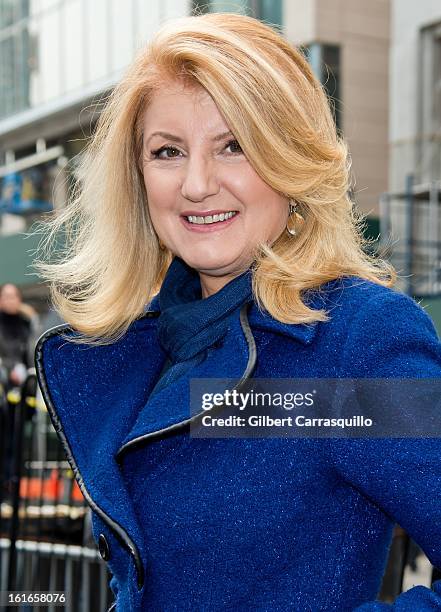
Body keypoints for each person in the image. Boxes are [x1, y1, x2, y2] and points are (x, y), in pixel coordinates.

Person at [33, 13, 441, 612]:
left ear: (290, 159)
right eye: (168, 151)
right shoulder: (149, 347)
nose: (196, 184)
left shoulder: (354, 340)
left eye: (234, 146)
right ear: (138, 175)